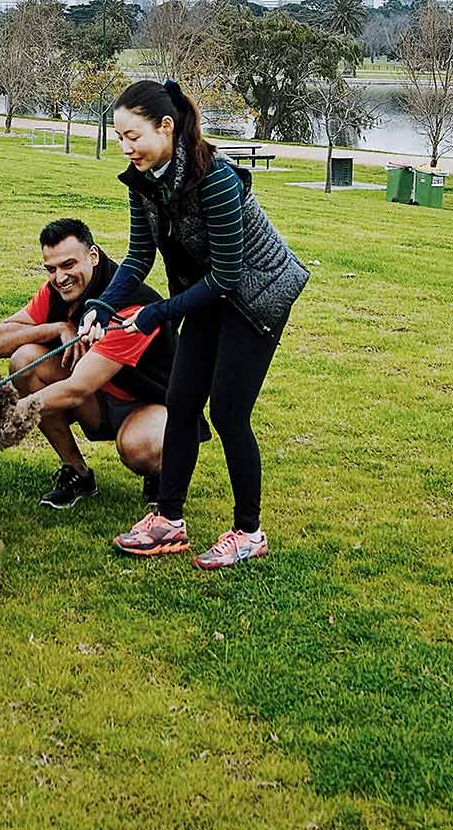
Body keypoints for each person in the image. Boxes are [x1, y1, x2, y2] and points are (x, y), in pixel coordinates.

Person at [79, 78, 308, 569]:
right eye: (119, 137)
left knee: (228, 413)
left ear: (166, 127)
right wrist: (99, 305)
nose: (126, 147)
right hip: (203, 294)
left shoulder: (216, 178)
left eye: (133, 137)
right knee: (181, 401)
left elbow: (227, 276)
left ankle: (249, 532)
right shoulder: (142, 183)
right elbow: (139, 257)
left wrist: (155, 314)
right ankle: (169, 520)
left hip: (255, 296)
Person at [0, 218, 181, 510]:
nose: (60, 277)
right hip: (99, 399)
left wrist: (3, 415)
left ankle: (162, 471)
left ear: (93, 255)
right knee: (24, 360)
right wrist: (56, 328)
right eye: (51, 269)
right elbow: (0, 343)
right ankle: (76, 472)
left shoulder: (129, 304)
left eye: (68, 265)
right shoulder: (57, 290)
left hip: (149, 403)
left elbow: (77, 388)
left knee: (140, 447)